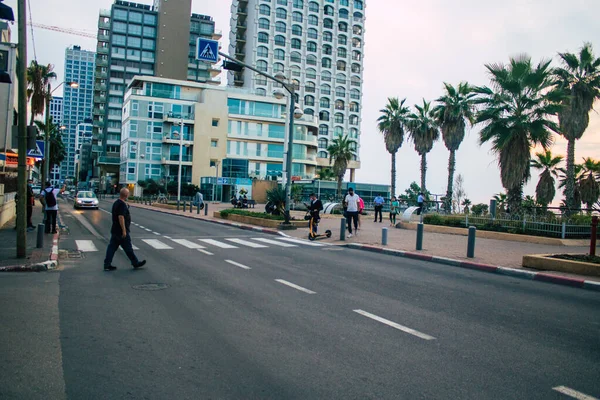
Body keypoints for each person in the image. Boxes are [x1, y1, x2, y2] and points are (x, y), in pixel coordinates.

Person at [103, 187, 146, 271]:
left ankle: (107, 264)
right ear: (126, 195)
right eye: (128, 193)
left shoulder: (116, 203)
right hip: (120, 231)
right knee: (128, 248)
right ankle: (135, 263)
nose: (129, 194)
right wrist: (124, 230)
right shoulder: (122, 204)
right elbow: (121, 217)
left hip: (115, 229)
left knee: (112, 248)